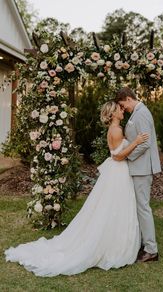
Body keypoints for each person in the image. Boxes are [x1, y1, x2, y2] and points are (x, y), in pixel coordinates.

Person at [4, 101, 149, 277]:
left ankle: (113, 241)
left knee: (111, 207)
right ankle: (112, 245)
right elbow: (118, 156)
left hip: (115, 172)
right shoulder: (116, 130)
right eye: (119, 109)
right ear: (112, 114)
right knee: (114, 207)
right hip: (118, 171)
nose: (122, 110)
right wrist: (136, 142)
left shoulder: (115, 129)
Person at [114, 87, 161, 262]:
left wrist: (127, 156)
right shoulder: (137, 113)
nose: (123, 109)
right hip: (139, 167)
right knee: (140, 207)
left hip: (142, 168)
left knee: (143, 207)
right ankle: (144, 243)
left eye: (122, 105)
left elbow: (145, 143)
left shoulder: (141, 114)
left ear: (127, 98)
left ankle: (151, 249)